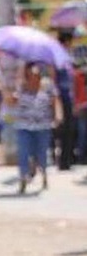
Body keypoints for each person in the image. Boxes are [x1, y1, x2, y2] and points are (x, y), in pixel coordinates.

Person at [10, 63, 60, 194]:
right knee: (23, 153)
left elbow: (55, 102)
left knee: (42, 154)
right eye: (31, 75)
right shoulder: (21, 87)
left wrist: (57, 117)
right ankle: (23, 179)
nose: (33, 78)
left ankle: (44, 175)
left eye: (36, 76)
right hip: (24, 126)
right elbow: (10, 100)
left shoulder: (48, 87)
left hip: (42, 127)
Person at [55, 30, 75, 170]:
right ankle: (63, 161)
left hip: (68, 96)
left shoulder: (66, 57)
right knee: (64, 129)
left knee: (69, 129)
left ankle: (67, 160)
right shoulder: (58, 58)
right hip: (61, 97)